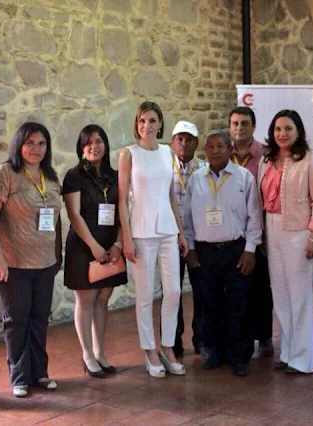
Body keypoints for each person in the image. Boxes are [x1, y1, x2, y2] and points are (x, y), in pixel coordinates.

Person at [0, 122, 62, 398]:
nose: (36, 149)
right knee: (17, 321)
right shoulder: (4, 175)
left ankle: (39, 372)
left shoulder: (50, 177)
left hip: (44, 262)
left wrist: (56, 254)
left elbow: (56, 219)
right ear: (18, 145)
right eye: (30, 143)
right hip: (14, 262)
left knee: (40, 318)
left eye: (42, 143)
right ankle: (18, 376)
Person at [183, 129, 262, 377]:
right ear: (204, 151)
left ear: (230, 149)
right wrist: (191, 249)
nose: (215, 150)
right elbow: (187, 219)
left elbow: (255, 217)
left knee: (239, 303)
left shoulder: (243, 178)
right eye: (210, 146)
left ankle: (239, 356)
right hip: (205, 252)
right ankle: (215, 352)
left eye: (220, 146)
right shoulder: (196, 179)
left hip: (236, 249)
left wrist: (250, 250)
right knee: (210, 303)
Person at [118, 101, 188, 378]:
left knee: (173, 291)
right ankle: (149, 350)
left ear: (161, 124)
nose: (147, 125)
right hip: (141, 231)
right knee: (145, 295)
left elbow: (171, 195)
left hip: (168, 229)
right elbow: (122, 199)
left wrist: (181, 232)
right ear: (137, 124)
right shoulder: (128, 154)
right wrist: (126, 237)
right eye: (142, 121)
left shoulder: (167, 152)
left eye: (152, 120)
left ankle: (168, 346)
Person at [257, 109, 313, 375]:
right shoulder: (267, 160)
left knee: (299, 297)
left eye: (288, 129)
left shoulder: (311, 160)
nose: (282, 134)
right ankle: (287, 352)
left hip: (299, 232)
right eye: (277, 129)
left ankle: (302, 359)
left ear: (298, 131)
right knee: (281, 295)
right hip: (272, 229)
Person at [62, 124, 127, 378]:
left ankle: (100, 353)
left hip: (110, 247)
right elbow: (74, 215)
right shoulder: (74, 175)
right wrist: (94, 247)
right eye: (88, 142)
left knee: (103, 300)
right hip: (83, 246)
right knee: (86, 300)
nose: (94, 146)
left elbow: (123, 212)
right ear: (81, 147)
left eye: (98, 141)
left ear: (105, 145)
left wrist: (118, 244)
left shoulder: (113, 175)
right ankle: (87, 355)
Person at [229, 106, 274, 357]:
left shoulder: (266, 155)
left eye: (244, 123)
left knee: (261, 286)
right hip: (233, 229)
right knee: (238, 287)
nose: (239, 128)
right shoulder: (224, 154)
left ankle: (264, 336)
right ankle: (240, 336)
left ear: (254, 126)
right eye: (235, 123)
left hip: (261, 230)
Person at [170, 120, 207, 357]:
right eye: (180, 138)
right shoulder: (163, 168)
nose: (184, 143)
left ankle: (201, 339)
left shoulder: (205, 169)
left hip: (197, 241)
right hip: (170, 241)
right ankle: (173, 341)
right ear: (173, 142)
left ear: (196, 143)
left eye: (189, 139)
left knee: (201, 291)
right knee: (172, 292)